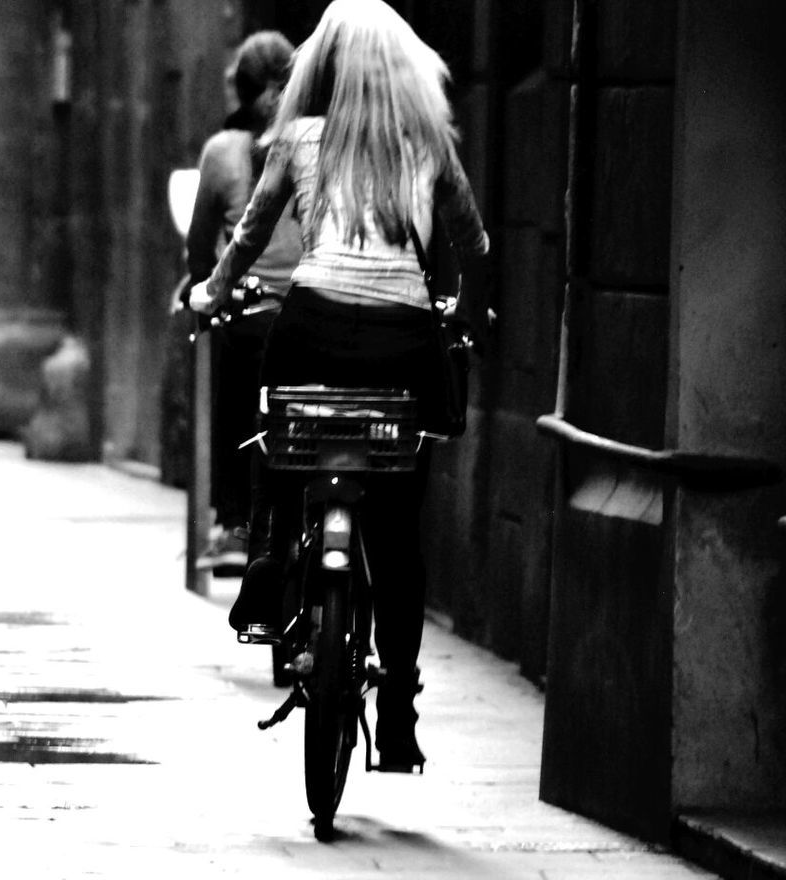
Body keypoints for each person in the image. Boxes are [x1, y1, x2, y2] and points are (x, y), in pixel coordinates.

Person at [189, 0, 489, 772]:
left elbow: (252, 234)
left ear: (319, 70)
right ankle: (397, 715)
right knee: (396, 531)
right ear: (403, 71)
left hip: (313, 323)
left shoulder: (297, 138)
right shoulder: (427, 143)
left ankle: (263, 556)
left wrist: (212, 293)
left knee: (277, 425)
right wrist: (467, 309)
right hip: (403, 341)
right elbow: (473, 243)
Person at [185, 31, 301, 576]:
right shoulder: (321, 143)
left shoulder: (223, 152)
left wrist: (200, 289)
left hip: (252, 311)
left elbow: (201, 243)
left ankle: (233, 519)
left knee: (236, 375)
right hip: (315, 308)